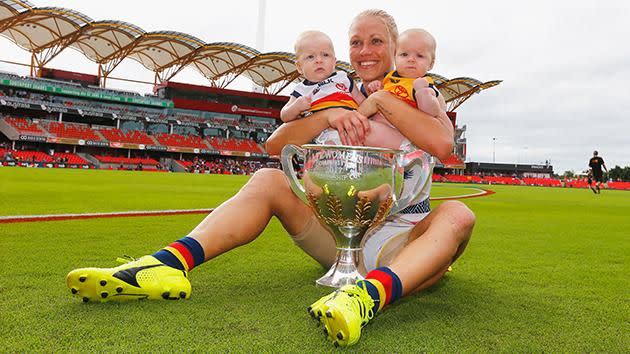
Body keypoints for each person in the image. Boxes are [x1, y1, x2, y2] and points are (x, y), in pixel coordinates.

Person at [66, 9, 475, 348]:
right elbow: (276, 145)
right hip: (335, 236)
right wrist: (330, 115)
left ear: (395, 45)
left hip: (398, 242)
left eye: (376, 41)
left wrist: (383, 99)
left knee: (457, 214)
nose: (364, 51)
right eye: (355, 42)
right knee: (266, 179)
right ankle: (164, 265)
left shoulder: (416, 89)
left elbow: (442, 145)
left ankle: (364, 298)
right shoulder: (336, 91)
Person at [281, 30, 405, 149]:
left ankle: (405, 149)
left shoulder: (343, 78)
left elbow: (362, 102)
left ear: (334, 61)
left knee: (375, 124)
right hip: (326, 134)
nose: (319, 60)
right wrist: (296, 107)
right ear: (299, 66)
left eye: (325, 55)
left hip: (354, 124)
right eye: (310, 57)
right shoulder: (301, 89)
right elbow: (284, 115)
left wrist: (374, 95)